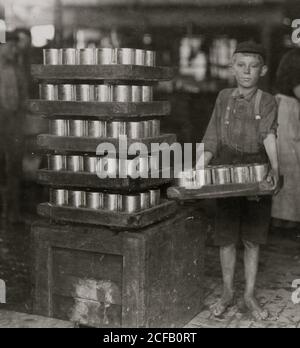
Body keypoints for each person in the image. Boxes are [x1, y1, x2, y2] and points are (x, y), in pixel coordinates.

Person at [199, 41, 280, 320]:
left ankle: (248, 296)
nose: (247, 71)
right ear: (232, 67)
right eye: (241, 65)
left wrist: (274, 171)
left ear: (263, 69)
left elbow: (269, 136)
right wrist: (199, 167)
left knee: (252, 239)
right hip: (226, 172)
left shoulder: (267, 100)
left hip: (256, 172)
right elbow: (211, 137)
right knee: (225, 238)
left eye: (253, 66)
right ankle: (227, 293)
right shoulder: (223, 97)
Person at [271, 49, 300, 230]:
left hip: (284, 112)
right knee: (291, 169)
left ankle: (280, 219)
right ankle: (287, 221)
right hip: (288, 114)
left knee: (284, 168)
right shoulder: (296, 60)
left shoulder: (291, 56)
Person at [0, 32, 27, 222]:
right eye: (10, 46)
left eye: (15, 46)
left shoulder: (17, 68)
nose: (14, 50)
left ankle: (12, 212)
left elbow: (23, 95)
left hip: (14, 124)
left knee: (14, 168)